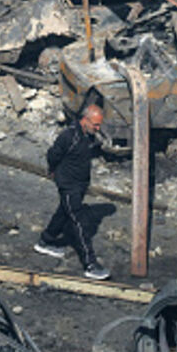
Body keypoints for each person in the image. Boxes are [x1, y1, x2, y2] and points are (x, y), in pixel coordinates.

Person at [36, 104, 110, 280]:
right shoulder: (69, 136)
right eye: (96, 125)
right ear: (85, 120)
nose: (98, 129)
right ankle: (90, 264)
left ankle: (46, 241)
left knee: (64, 212)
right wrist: (53, 171)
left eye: (99, 125)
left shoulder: (88, 136)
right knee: (79, 222)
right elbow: (52, 155)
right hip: (68, 185)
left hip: (80, 184)